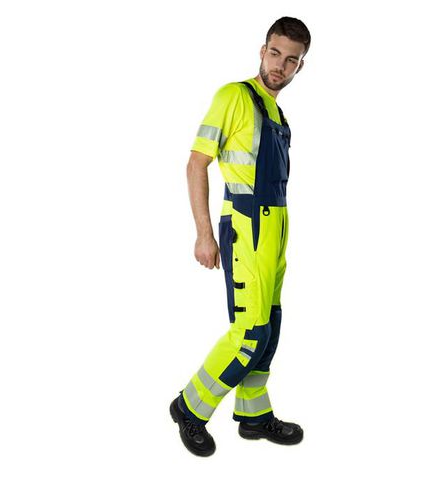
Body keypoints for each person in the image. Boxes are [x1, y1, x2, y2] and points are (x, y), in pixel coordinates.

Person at [170, 16, 311, 457]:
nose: (280, 65)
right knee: (249, 332)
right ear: (262, 51)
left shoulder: (278, 113)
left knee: (270, 325)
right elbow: (196, 163)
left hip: (276, 231)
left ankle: (253, 414)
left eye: (291, 60)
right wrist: (203, 234)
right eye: (275, 53)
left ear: (300, 66)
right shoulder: (233, 96)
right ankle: (190, 406)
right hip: (246, 226)